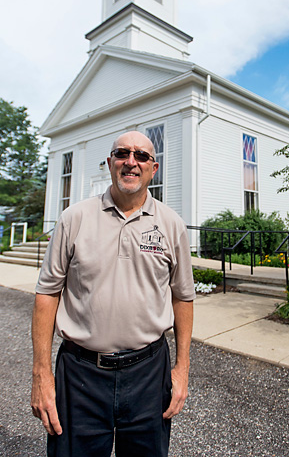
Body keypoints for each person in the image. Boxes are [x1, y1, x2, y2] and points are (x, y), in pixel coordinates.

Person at [31, 130, 195, 457]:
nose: (130, 162)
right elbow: (47, 293)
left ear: (153, 168)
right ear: (109, 163)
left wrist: (182, 368)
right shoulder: (73, 219)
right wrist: (41, 372)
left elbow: (183, 297)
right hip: (80, 374)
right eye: (122, 154)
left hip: (149, 373)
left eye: (141, 156)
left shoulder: (172, 225)